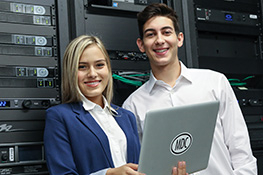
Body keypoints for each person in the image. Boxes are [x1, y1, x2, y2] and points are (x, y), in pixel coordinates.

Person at [122, 3, 258, 175]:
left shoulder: (214, 82)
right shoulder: (132, 106)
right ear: (141, 45)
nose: (160, 40)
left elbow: (241, 150)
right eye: (151, 34)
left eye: (166, 32)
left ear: (179, 39)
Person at [44, 35, 188, 175]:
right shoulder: (60, 117)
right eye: (82, 67)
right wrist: (108, 174)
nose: (93, 74)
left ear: (108, 68)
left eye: (99, 65)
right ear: (71, 72)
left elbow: (141, 169)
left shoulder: (126, 116)